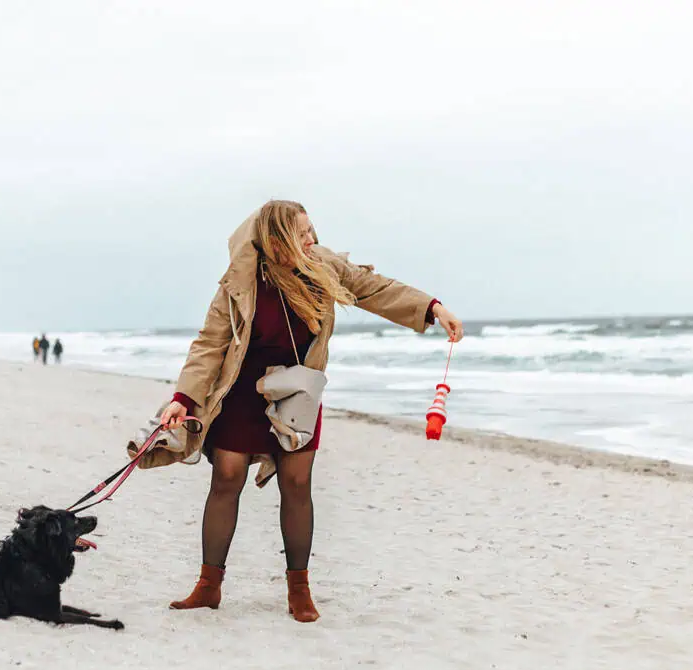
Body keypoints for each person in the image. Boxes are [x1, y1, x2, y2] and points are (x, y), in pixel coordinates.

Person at [156, 200, 463, 623]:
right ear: (277, 239)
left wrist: (432, 308)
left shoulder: (323, 267)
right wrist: (183, 398)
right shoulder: (241, 281)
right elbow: (210, 343)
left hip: (298, 389)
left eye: (311, 230)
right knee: (227, 476)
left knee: (297, 483)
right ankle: (209, 586)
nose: (311, 239)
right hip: (244, 389)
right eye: (302, 233)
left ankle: (299, 589)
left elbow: (377, 289)